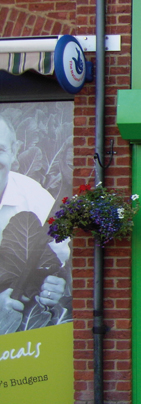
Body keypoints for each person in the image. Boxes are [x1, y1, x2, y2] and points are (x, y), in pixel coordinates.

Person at [0, 114, 68, 334]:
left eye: (0, 150)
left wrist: (56, 285)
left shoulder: (35, 198)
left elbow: (61, 260)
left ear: (15, 151)